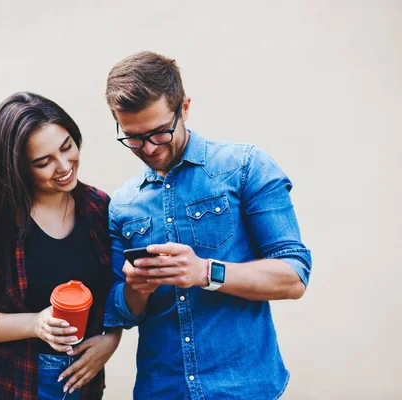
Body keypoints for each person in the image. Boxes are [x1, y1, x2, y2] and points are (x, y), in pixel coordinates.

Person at [103, 52, 312, 399]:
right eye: (134, 138)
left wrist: (205, 272)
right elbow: (120, 312)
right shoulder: (122, 204)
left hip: (245, 388)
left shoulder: (246, 167)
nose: (149, 148)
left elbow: (294, 276)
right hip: (161, 390)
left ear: (184, 107)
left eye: (159, 133)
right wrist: (136, 288)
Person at [0, 91, 122, 400]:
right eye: (43, 162)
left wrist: (111, 341)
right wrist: (35, 324)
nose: (64, 165)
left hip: (84, 386)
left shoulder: (98, 207)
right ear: (18, 168)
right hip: (14, 385)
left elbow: (114, 294)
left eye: (67, 147)